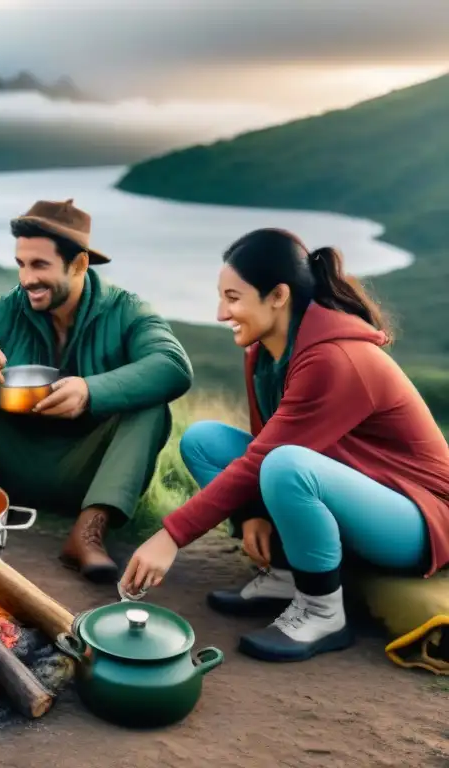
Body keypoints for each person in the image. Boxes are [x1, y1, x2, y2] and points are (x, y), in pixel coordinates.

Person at [120, 228, 449, 663]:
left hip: (417, 519)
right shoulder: (263, 353)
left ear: (277, 296)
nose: (221, 313)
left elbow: (266, 459)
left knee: (286, 465)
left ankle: (322, 611)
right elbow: (262, 442)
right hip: (354, 490)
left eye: (233, 298)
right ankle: (286, 573)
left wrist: (170, 536)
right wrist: (253, 512)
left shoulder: (336, 359)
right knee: (204, 441)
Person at [0, 199, 194, 582]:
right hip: (7, 462)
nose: (26, 279)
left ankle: (89, 533)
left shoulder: (127, 311)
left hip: (85, 472)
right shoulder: (3, 309)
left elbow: (174, 366)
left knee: (151, 405)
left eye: (40, 265)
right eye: (21, 264)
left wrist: (90, 391)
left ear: (80, 265)